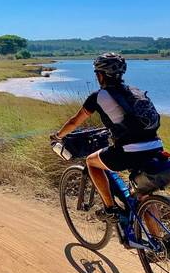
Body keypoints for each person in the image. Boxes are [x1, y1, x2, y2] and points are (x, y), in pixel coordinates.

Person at [51, 53, 164, 222]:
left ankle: (111, 209)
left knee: (91, 162)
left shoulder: (98, 96)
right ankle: (161, 242)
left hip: (129, 152)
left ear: (100, 75)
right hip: (156, 146)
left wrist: (58, 135)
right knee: (144, 195)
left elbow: (75, 122)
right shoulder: (135, 92)